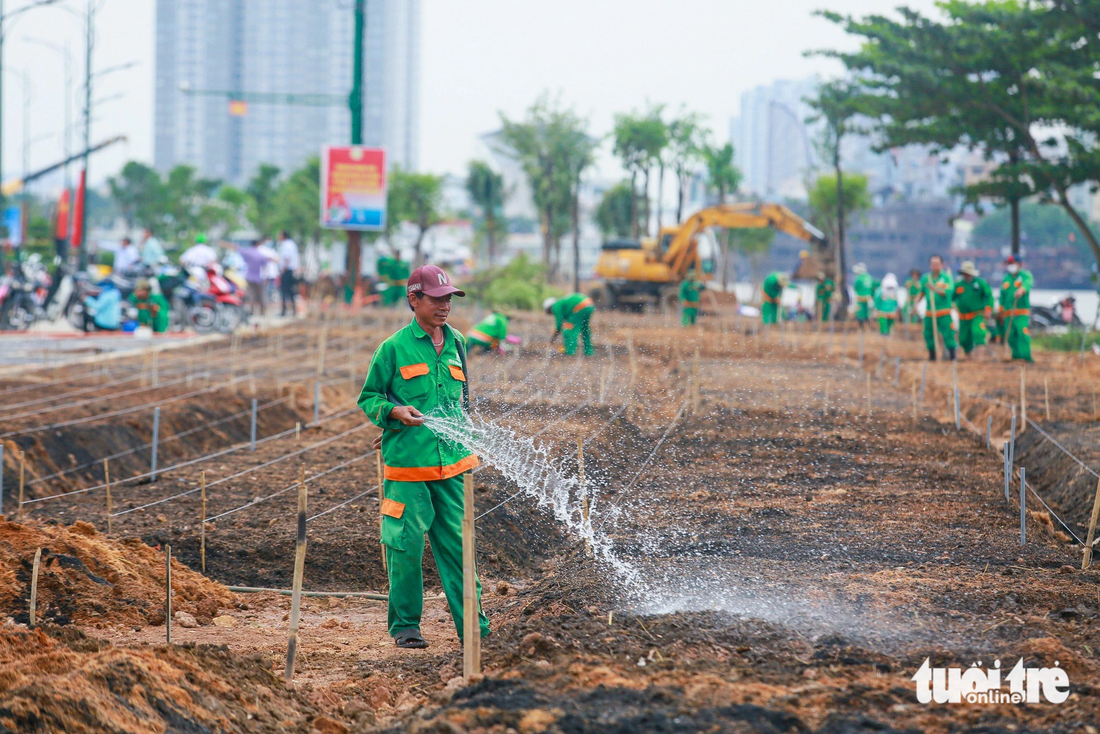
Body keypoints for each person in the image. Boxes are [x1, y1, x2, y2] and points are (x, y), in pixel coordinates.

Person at [357, 264, 489, 649]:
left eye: (449, 298)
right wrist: (394, 413)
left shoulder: (458, 342)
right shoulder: (393, 348)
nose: (445, 306)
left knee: (459, 547)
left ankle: (474, 629)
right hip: (408, 467)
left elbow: (461, 401)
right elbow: (370, 397)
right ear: (414, 299)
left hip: (453, 464)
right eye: (437, 299)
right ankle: (405, 627)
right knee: (405, 546)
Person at [916, 254, 956, 361]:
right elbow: (921, 293)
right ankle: (932, 357)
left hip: (944, 313)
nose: (935, 266)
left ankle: (952, 357)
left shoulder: (947, 278)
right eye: (933, 264)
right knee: (928, 335)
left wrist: (934, 288)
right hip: (930, 313)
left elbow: (947, 292)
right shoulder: (926, 278)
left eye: (937, 264)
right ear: (930, 266)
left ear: (942, 265)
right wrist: (915, 305)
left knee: (948, 334)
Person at [952, 261, 993, 357]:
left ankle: (980, 357)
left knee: (978, 332)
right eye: (964, 273)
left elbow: (989, 296)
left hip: (977, 314)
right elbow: (952, 297)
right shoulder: (958, 284)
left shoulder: (980, 283)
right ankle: (969, 356)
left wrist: (988, 309)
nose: (965, 275)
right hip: (963, 316)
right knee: (964, 339)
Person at [999, 255, 1034, 362]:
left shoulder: (1025, 275)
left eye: (1012, 263)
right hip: (1009, 313)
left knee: (1022, 333)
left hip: (1021, 312)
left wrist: (1021, 290)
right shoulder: (1007, 278)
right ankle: (1016, 356)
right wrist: (1001, 310)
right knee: (1010, 335)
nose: (1010, 266)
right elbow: (1002, 296)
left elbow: (1027, 284)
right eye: (1009, 264)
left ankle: (1026, 357)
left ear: (1019, 264)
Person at [238, 240, 277, 317]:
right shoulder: (260, 254)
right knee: (261, 295)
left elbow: (238, 249)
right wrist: (266, 277)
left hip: (249, 277)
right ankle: (263, 311)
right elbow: (266, 266)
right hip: (259, 278)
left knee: (251, 295)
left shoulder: (248, 253)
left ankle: (252, 311)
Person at [277, 230, 300, 317]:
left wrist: (283, 270)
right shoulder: (292, 244)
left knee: (284, 291)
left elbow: (287, 258)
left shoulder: (286, 245)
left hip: (286, 271)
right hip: (291, 271)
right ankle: (293, 310)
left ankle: (284, 311)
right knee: (291, 292)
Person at [852, 263, 874, 327]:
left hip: (860, 298)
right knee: (867, 312)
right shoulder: (869, 277)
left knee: (860, 312)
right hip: (868, 298)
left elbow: (856, 288)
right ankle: (868, 325)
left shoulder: (858, 278)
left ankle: (861, 326)